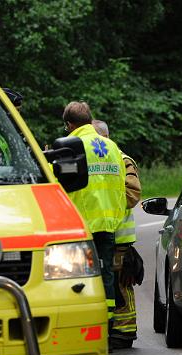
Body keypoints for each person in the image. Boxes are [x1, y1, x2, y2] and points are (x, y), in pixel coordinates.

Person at [62, 102, 126, 331]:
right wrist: (116, 217)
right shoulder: (111, 147)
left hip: (80, 225)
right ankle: (107, 323)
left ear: (69, 124)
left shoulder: (70, 147)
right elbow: (121, 184)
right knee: (106, 273)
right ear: (90, 120)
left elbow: (58, 186)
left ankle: (82, 324)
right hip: (107, 224)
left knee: (77, 277)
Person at [92, 119, 143, 349]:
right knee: (102, 284)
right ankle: (108, 328)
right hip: (98, 233)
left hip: (119, 238)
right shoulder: (91, 160)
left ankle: (125, 331)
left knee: (121, 285)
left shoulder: (122, 160)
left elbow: (132, 195)